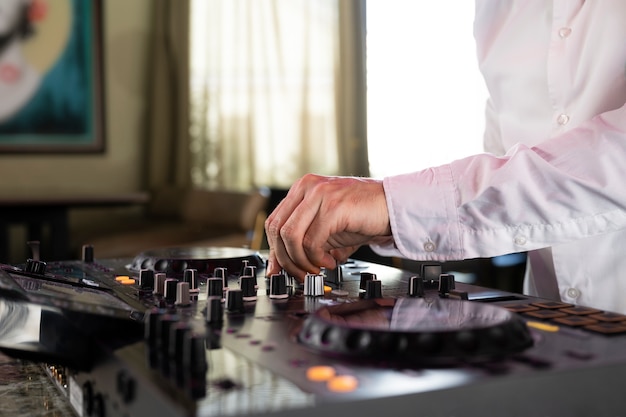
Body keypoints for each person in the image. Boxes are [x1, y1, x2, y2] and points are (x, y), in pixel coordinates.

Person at [265, 1, 626, 314]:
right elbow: (507, 165)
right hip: (554, 327)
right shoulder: (495, 7)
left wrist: (393, 206)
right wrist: (388, 222)